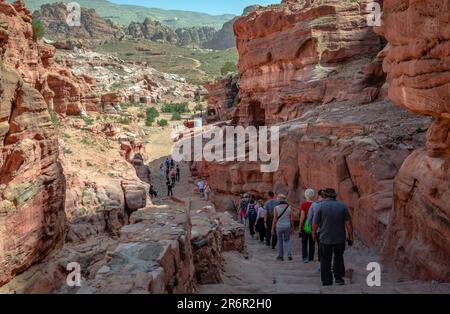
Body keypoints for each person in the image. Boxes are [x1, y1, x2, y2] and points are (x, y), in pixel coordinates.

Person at [312, 188, 353, 286]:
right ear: (335, 196)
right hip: (339, 237)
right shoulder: (342, 206)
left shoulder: (320, 206)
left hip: (325, 238)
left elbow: (315, 223)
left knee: (325, 259)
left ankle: (327, 281)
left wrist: (313, 233)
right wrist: (351, 237)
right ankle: (338, 278)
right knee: (339, 257)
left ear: (324, 195)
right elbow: (348, 223)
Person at [272, 194, 294, 261]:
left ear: (279, 200)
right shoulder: (290, 207)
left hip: (279, 226)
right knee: (287, 240)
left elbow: (275, 219)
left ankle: (280, 256)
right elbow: (291, 219)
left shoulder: (276, 208)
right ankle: (289, 254)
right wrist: (292, 227)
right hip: (287, 226)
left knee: (280, 241)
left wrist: (272, 228)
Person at [299, 188, 316, 263]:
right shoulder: (315, 204)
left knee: (304, 242)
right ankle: (311, 257)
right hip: (313, 225)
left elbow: (302, 217)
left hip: (305, 226)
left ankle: (305, 257)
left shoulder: (304, 205)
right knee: (312, 242)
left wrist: (300, 227)